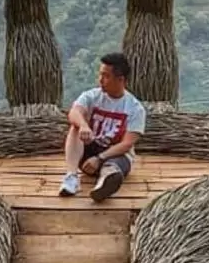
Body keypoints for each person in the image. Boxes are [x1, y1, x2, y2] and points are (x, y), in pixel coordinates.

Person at [58, 52, 147, 202]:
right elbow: (74, 112)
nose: (101, 80)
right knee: (75, 128)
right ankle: (71, 177)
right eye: (100, 75)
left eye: (106, 76)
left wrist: (99, 158)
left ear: (120, 79)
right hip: (89, 151)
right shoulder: (92, 96)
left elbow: (127, 143)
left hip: (114, 155)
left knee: (112, 168)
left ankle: (104, 185)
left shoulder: (135, 108)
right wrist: (84, 125)